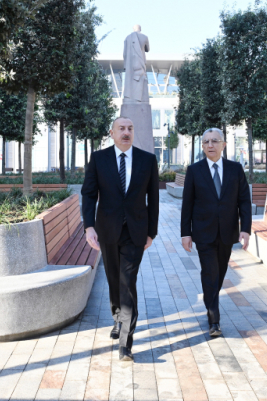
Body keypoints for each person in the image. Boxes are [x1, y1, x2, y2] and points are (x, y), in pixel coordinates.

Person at [81, 117, 159, 362]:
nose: (126, 132)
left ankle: (126, 343)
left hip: (135, 232)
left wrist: (152, 232)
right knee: (114, 279)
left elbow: (154, 198)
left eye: (130, 128)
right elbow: (89, 194)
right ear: (112, 132)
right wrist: (89, 226)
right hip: (107, 230)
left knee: (127, 282)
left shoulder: (148, 160)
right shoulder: (99, 159)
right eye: (122, 129)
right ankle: (117, 316)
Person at [180, 127, 252, 337]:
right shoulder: (194, 170)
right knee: (210, 272)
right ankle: (214, 320)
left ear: (223, 145)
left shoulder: (235, 169)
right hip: (203, 232)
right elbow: (187, 204)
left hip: (227, 232)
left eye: (214, 141)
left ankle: (210, 300)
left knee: (218, 274)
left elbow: (244, 202)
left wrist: (245, 229)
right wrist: (186, 233)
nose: (210, 145)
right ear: (202, 146)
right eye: (206, 142)